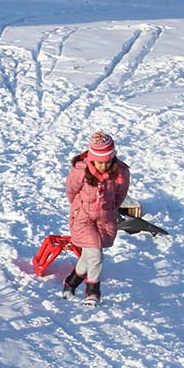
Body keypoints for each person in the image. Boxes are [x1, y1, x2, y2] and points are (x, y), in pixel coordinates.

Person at [63, 131, 130, 306]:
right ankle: (92, 291)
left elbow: (120, 195)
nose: (104, 165)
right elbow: (71, 192)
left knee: (88, 255)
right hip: (83, 218)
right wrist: (79, 208)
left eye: (108, 161)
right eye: (100, 162)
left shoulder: (121, 172)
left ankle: (70, 283)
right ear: (92, 159)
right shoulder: (81, 170)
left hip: (105, 218)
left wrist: (109, 209)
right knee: (96, 255)